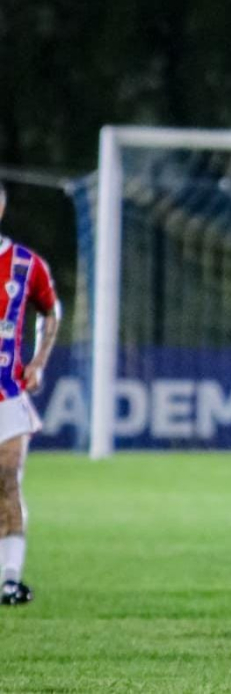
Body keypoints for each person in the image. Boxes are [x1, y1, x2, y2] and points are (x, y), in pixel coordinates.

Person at [0, 181, 61, 606]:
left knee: (7, 480)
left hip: (6, 393)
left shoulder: (25, 264)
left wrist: (37, 362)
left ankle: (8, 579)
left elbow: (51, 311)